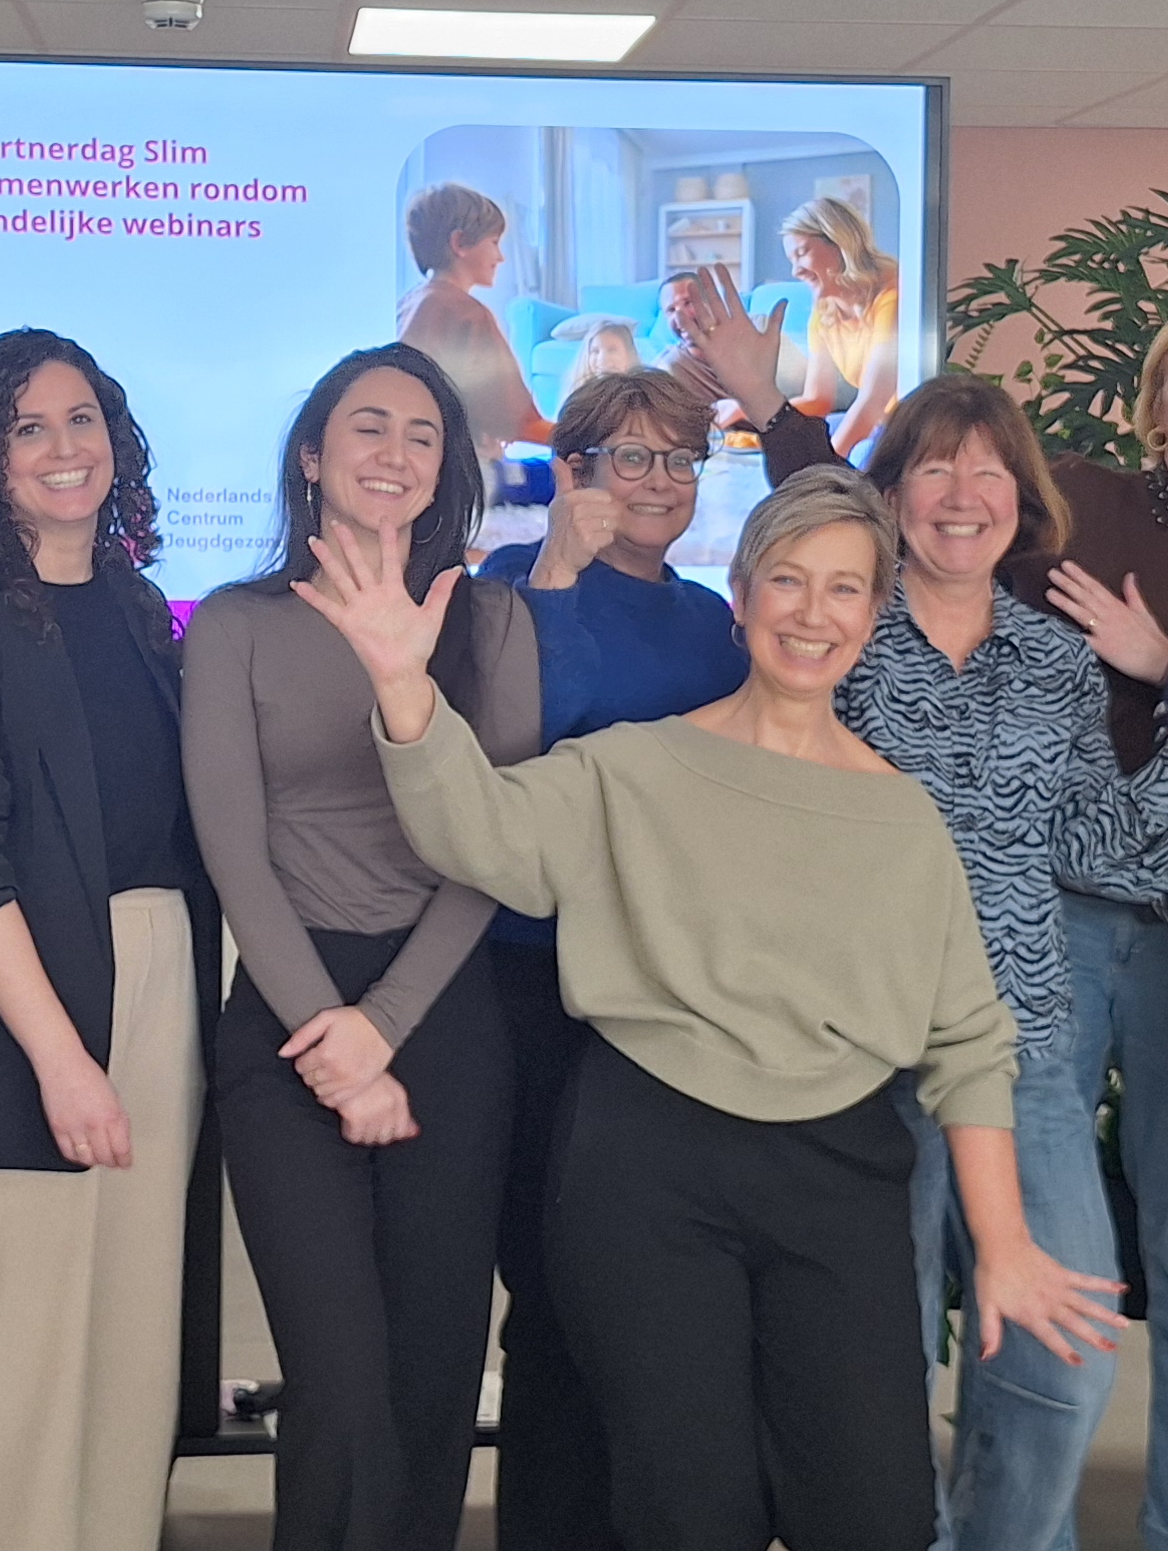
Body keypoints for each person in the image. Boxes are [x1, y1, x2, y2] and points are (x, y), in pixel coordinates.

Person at [301, 468, 1123, 1551]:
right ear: (739, 595)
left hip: (837, 1172)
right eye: (788, 579)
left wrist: (1005, 1243)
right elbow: (478, 832)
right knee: (691, 1510)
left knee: (875, 1514)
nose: (812, 612)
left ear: (874, 616)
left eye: (844, 588)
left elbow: (968, 1041)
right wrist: (403, 683)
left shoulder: (902, 821)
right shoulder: (633, 766)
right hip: (646, 1161)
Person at [836, 373, 1168, 1551]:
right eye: (934, 467)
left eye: (989, 469)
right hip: (860, 1055)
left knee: (1063, 1357)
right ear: (891, 493)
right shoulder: (836, 637)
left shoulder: (1050, 657)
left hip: (1021, 1054)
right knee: (876, 1357)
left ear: (1022, 498)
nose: (963, 493)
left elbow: (1095, 849)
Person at [186, 345, 542, 1551]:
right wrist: (332, 1042)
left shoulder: (490, 623)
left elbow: (491, 851)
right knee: (339, 1384)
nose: (395, 453)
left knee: (432, 1378)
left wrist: (381, 1028)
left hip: (444, 1016)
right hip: (288, 1022)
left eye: (422, 434)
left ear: (447, 468)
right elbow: (235, 855)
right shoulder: (234, 624)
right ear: (311, 455)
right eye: (368, 427)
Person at [0, 328, 218, 1551]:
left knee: (130, 1346)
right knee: (16, 1365)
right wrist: (63, 1060)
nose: (64, 448)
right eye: (28, 428)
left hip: (155, 982)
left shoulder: (132, 602)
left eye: (83, 419)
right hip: (12, 1010)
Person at [467, 365, 749, 1546]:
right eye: (629, 455)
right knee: (547, 1280)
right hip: (529, 974)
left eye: (679, 458)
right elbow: (518, 745)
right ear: (574, 469)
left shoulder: (712, 623)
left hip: (665, 987)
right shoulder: (506, 586)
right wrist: (559, 574)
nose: (658, 480)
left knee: (643, 1279)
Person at [398, 181, 553, 450]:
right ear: (459, 243)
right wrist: (580, 437)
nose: (500, 257)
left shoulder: (409, 304)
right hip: (459, 458)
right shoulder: (468, 314)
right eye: (494, 242)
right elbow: (517, 421)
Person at [785, 195, 905, 456]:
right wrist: (755, 419)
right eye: (790, 260)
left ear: (840, 242)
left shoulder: (893, 296)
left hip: (908, 429)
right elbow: (817, 399)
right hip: (875, 425)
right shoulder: (824, 313)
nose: (796, 271)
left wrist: (825, 470)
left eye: (802, 253)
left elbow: (874, 402)